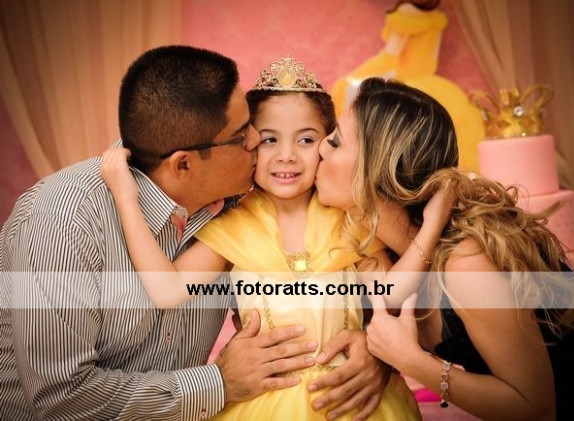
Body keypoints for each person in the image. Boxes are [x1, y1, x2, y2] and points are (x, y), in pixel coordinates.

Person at [0, 46, 380, 420]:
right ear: (183, 165)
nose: (261, 146)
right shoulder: (64, 220)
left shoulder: (241, 196)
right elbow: (62, 398)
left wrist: (375, 351)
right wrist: (220, 383)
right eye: (244, 136)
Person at [99, 58, 455, 420]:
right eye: (270, 139)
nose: (287, 155)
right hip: (264, 404)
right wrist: (127, 199)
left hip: (350, 399)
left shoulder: (348, 220)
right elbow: (166, 289)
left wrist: (432, 225)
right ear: (249, 143)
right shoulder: (233, 225)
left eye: (306, 139)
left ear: (327, 144)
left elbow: (391, 294)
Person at [316, 77, 574, 420]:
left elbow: (539, 408)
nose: (320, 148)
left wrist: (412, 361)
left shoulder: (467, 263)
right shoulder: (379, 253)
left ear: (376, 171)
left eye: (336, 141)